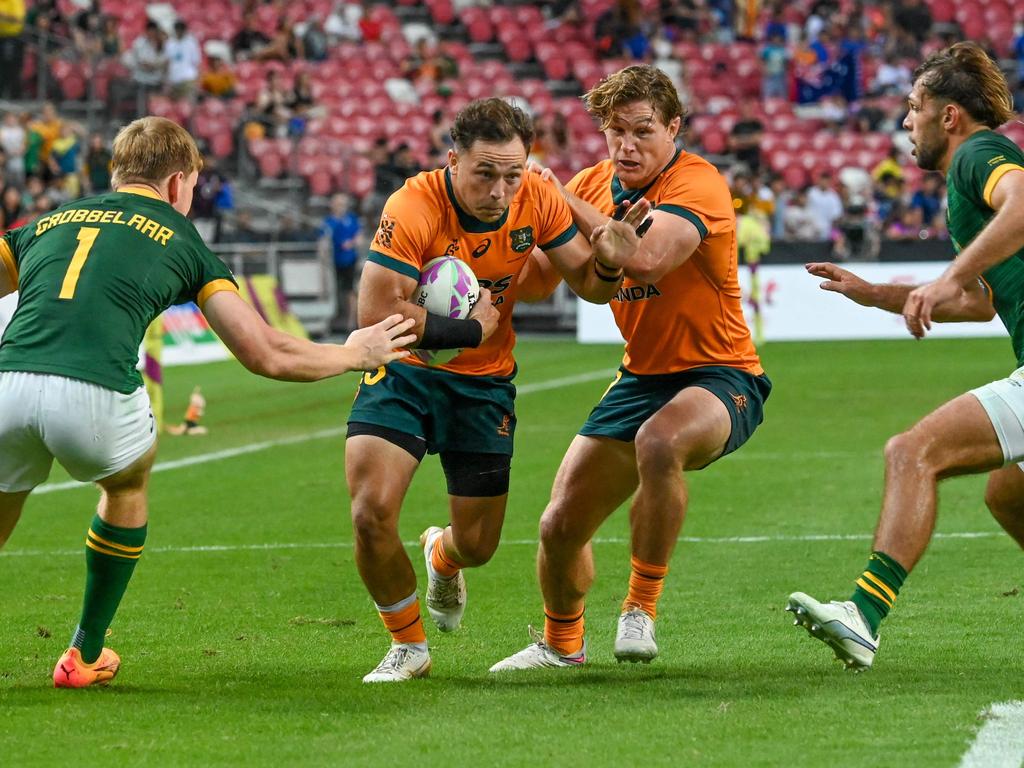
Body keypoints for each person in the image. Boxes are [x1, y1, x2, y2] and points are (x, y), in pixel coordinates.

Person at [0, 116, 415, 689]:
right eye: (192, 186)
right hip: (93, 395)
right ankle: (84, 654)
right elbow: (265, 353)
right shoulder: (178, 235)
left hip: (7, 385)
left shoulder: (45, 221)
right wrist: (354, 353)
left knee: (4, 495)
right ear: (176, 182)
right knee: (125, 484)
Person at [347, 97, 652, 683]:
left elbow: (588, 284)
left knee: (479, 546)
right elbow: (374, 313)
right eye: (485, 173)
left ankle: (442, 554)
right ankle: (408, 646)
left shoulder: (537, 196)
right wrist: (471, 328)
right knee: (370, 513)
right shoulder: (413, 205)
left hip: (484, 385)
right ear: (453, 160)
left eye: (513, 173)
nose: (500, 189)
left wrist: (611, 263)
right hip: (406, 374)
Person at [490, 65, 770, 672]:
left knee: (660, 441)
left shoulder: (699, 183)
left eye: (642, 130)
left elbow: (645, 258)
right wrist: (485, 261)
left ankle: (639, 609)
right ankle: (563, 647)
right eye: (615, 131)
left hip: (721, 374)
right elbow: (539, 280)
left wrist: (553, 195)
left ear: (673, 127)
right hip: (640, 376)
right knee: (559, 526)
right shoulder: (590, 185)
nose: (626, 145)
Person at [788, 42, 1024, 670]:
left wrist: (948, 276)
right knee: (1007, 492)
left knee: (912, 451)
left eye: (913, 108)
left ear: (949, 116)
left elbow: (1023, 207)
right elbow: (977, 303)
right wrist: (876, 294)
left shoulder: (980, 152)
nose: (904, 123)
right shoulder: (963, 185)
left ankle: (862, 616)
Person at [322, 193, 361, 332]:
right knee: (335, 291)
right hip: (333, 263)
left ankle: (351, 322)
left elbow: (359, 237)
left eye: (343, 204)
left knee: (349, 291)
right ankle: (336, 319)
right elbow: (324, 241)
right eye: (338, 204)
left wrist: (350, 244)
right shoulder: (328, 222)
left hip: (349, 261)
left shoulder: (351, 219)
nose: (341, 207)